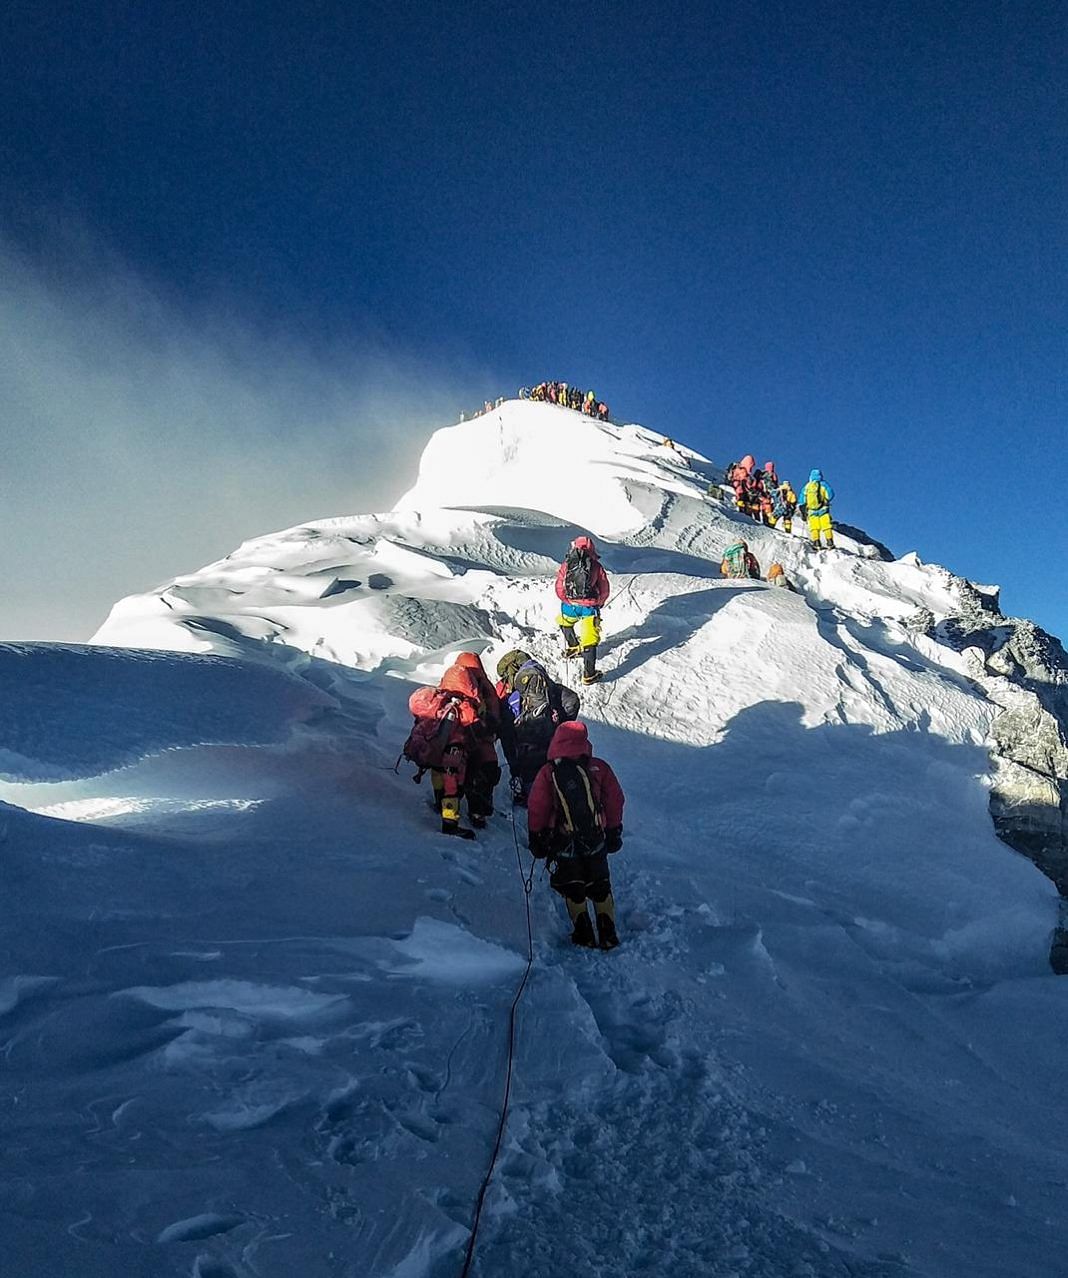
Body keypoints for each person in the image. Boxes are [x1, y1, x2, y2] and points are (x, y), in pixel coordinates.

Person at [528, 720, 625, 950]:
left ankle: (584, 933)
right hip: (595, 837)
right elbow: (615, 800)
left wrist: (536, 836)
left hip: (564, 840)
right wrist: (613, 830)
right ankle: (608, 932)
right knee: (600, 883)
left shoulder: (548, 772)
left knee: (574, 885)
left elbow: (537, 806)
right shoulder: (599, 768)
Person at [495, 649, 580, 804]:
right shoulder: (553, 688)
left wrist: (514, 767)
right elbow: (572, 701)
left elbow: (507, 734)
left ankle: (532, 800)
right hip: (555, 747)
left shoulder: (512, 699)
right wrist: (560, 726)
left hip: (528, 752)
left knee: (534, 790)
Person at [452, 652, 503, 821]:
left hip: (456, 738)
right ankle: (478, 813)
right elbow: (495, 712)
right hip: (482, 739)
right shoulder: (484, 685)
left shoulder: (451, 681)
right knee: (485, 774)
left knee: (453, 773)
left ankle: (447, 810)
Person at [555, 535, 611, 685]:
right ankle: (589, 675)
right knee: (589, 640)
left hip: (570, 604)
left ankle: (573, 647)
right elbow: (604, 588)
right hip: (589, 607)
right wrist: (599, 603)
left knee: (565, 623)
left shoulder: (567, 564)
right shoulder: (596, 566)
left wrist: (566, 600)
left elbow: (560, 586)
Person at [802, 468, 835, 550]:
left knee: (814, 527)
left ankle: (816, 543)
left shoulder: (807, 486)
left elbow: (802, 500)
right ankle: (830, 542)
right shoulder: (824, 484)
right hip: (823, 509)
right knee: (826, 526)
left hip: (812, 511)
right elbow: (830, 495)